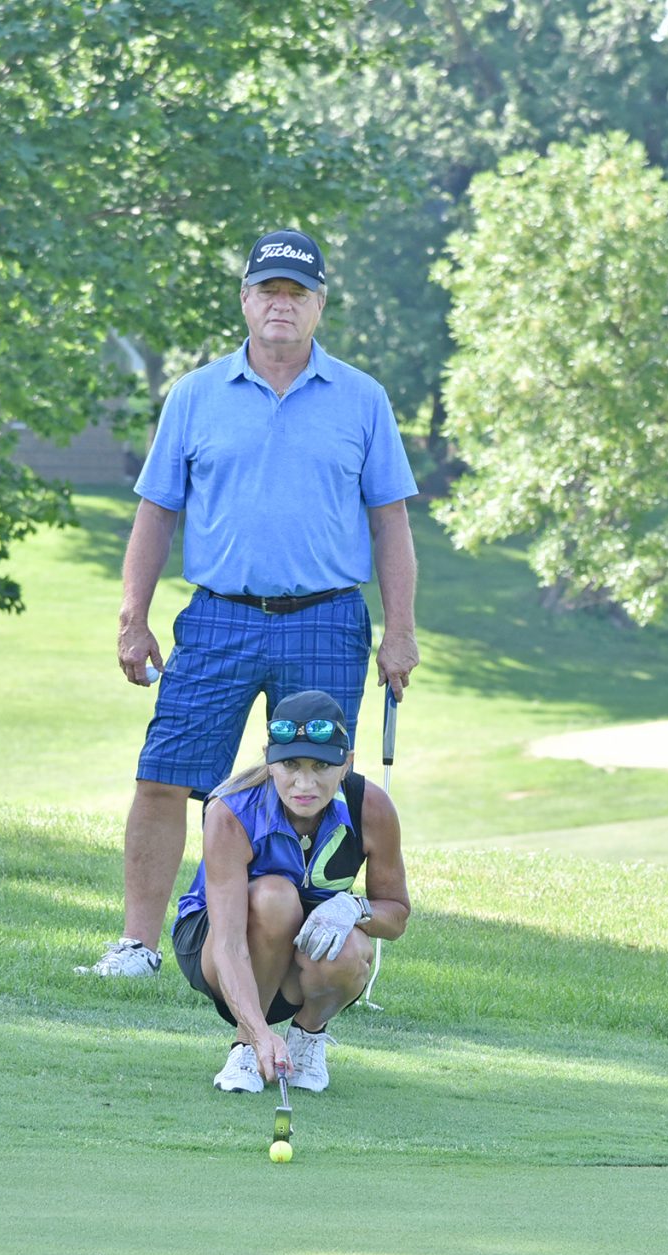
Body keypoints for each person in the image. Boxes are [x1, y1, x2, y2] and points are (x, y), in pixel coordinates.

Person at [81, 228, 419, 978]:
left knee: (313, 788)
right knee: (164, 773)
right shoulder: (196, 394)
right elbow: (156, 512)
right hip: (219, 616)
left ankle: (302, 951)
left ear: (320, 305)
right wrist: (132, 619)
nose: (281, 305)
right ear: (245, 300)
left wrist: (400, 630)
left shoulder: (362, 398)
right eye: (269, 290)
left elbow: (390, 519)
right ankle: (138, 946)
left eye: (297, 293)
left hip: (327, 617)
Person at [170, 690, 410, 1092]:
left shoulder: (372, 807)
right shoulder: (230, 811)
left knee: (352, 948)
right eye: (290, 765)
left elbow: (397, 915)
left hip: (301, 948)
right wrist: (258, 1033)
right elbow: (228, 944)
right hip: (217, 946)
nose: (304, 783)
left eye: (322, 766)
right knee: (274, 898)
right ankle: (246, 1049)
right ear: (269, 759)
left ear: (347, 764)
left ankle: (307, 1036)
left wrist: (353, 908)